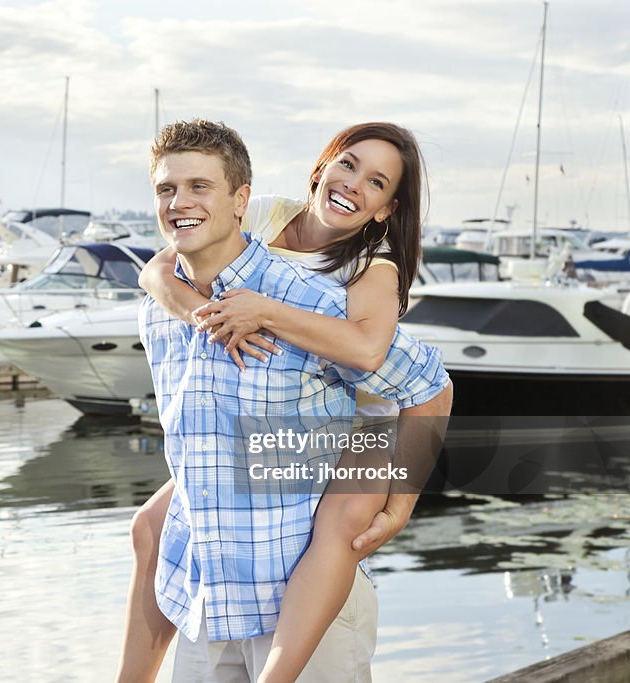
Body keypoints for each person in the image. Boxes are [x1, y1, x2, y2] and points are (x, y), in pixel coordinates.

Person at [126, 119, 452, 682]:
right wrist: (194, 312)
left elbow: (389, 361)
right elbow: (161, 266)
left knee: (345, 519)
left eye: (376, 182)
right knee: (152, 524)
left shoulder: (366, 272)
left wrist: (400, 503)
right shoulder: (259, 220)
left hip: (362, 423)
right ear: (320, 169)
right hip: (226, 550)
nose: (353, 184)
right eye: (347, 164)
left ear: (385, 208)